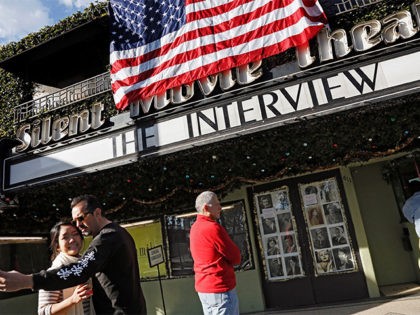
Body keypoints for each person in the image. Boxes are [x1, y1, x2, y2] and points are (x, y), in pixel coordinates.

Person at [0, 194, 147, 315]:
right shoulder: (119, 233)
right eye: (75, 220)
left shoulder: (107, 238)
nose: (78, 225)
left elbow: (80, 270)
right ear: (56, 244)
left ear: (97, 213)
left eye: (81, 218)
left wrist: (27, 280)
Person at [190, 191, 241, 315]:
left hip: (204, 288)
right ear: (206, 208)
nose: (220, 207)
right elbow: (235, 257)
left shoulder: (195, 228)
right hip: (220, 288)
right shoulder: (213, 227)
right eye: (217, 204)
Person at [38, 221, 95, 315]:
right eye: (65, 237)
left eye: (75, 234)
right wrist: (72, 300)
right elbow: (43, 311)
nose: (72, 240)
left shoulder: (86, 266)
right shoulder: (54, 272)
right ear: (57, 246)